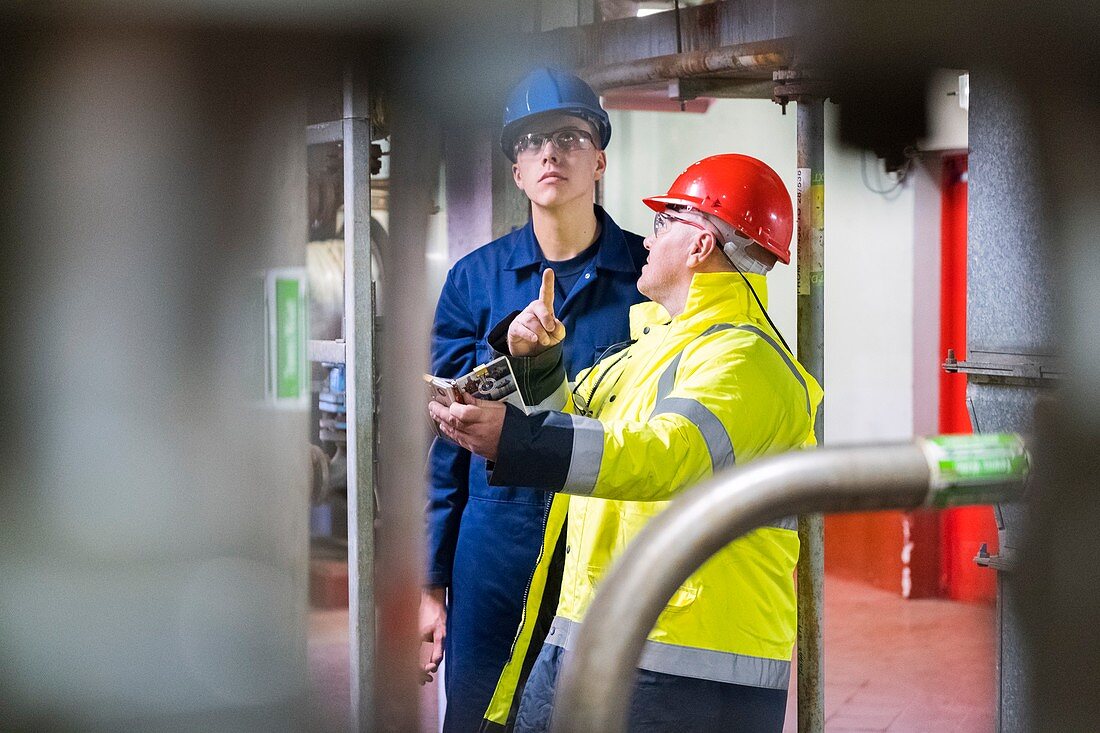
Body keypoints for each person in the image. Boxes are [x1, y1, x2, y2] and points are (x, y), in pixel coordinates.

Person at [429, 154, 824, 732]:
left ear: (699, 246)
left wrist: (514, 440)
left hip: (681, 662)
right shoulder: (651, 349)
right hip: (601, 631)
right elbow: (576, 426)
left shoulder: (746, 363)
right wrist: (535, 363)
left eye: (665, 222)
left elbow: (661, 455)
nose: (648, 237)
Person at [422, 67, 648, 731]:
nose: (550, 152)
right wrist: (430, 581)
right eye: (530, 142)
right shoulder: (475, 280)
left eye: (570, 136)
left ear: (599, 158)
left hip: (609, 537)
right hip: (497, 544)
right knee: (480, 715)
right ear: (516, 171)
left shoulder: (647, 274)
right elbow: (445, 436)